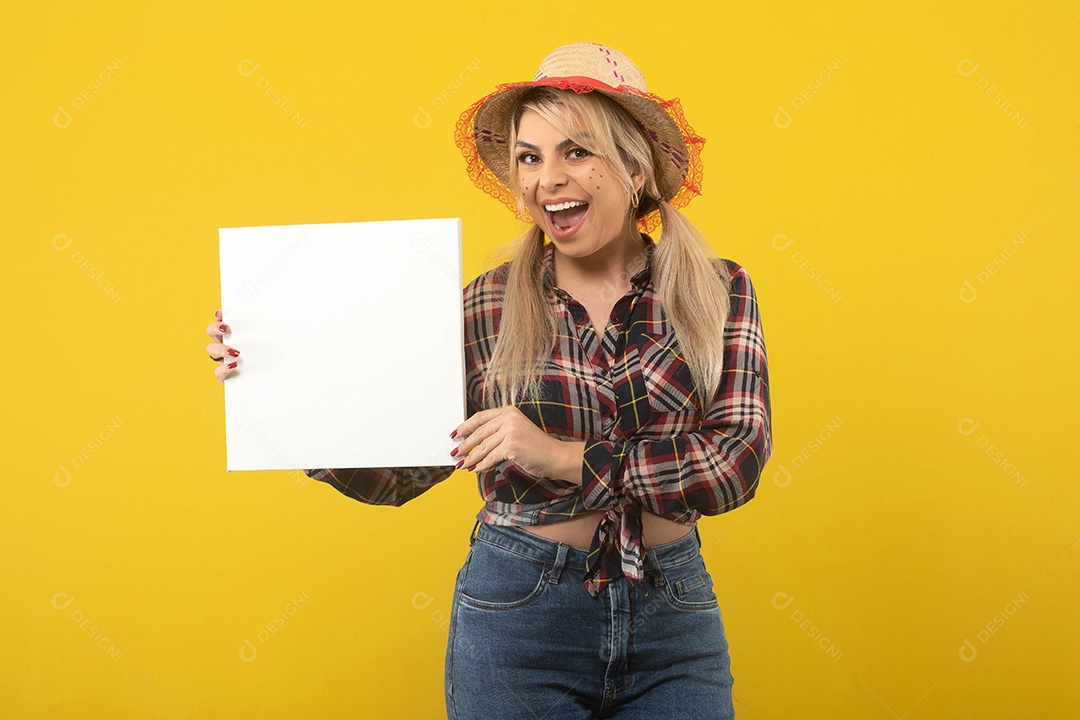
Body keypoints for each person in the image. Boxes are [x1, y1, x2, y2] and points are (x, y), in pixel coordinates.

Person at [206, 42, 772, 720]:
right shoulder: (488, 305)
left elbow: (732, 464)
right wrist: (285, 381)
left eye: (576, 152)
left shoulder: (717, 291)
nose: (546, 180)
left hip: (674, 612)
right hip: (518, 614)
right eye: (529, 158)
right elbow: (402, 475)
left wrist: (558, 456)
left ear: (632, 166)